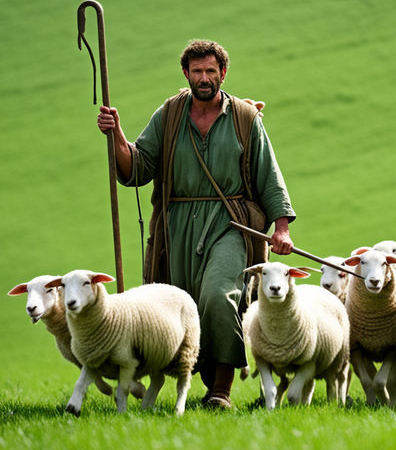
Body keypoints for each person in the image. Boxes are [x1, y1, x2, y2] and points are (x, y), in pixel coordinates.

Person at [97, 39, 295, 409]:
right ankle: (190, 383)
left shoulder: (244, 118)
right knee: (180, 305)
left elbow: (270, 176)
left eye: (211, 71)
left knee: (218, 297)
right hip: (176, 228)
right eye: (197, 71)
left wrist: (281, 228)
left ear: (223, 73)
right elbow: (136, 168)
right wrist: (116, 134)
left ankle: (220, 391)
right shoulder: (169, 115)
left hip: (231, 224)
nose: (204, 78)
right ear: (186, 73)